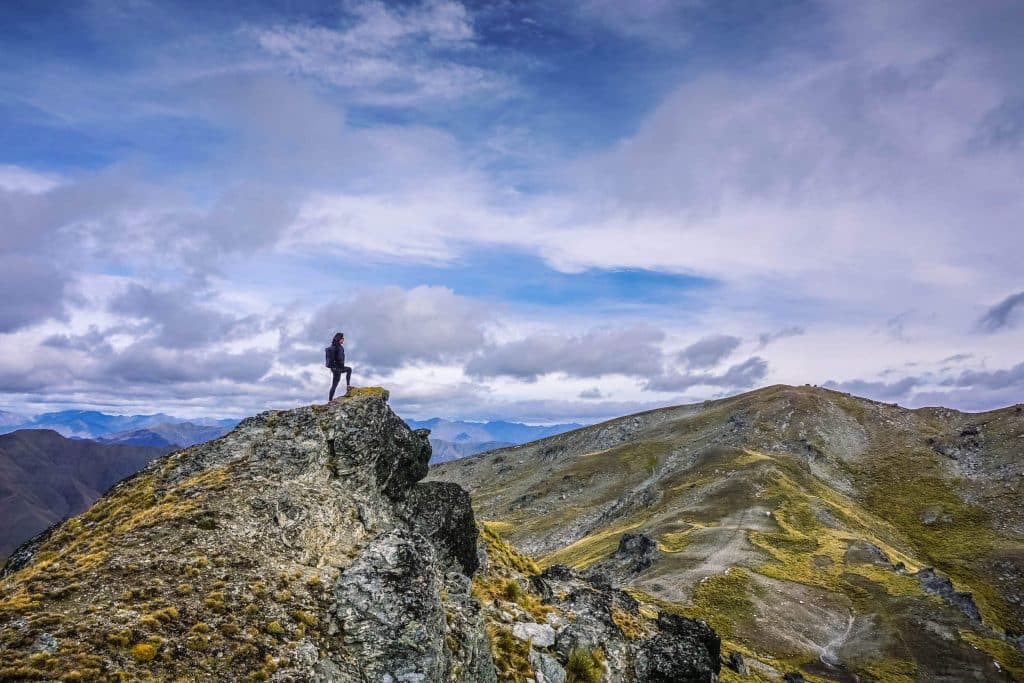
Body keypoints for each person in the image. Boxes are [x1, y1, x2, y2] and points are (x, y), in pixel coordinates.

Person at [327, 332, 352, 401]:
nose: (343, 340)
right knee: (334, 384)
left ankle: (348, 386)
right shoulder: (337, 347)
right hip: (337, 368)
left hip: (337, 368)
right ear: (339, 339)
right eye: (342, 338)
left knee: (349, 369)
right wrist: (337, 366)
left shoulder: (336, 347)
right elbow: (338, 358)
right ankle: (330, 400)